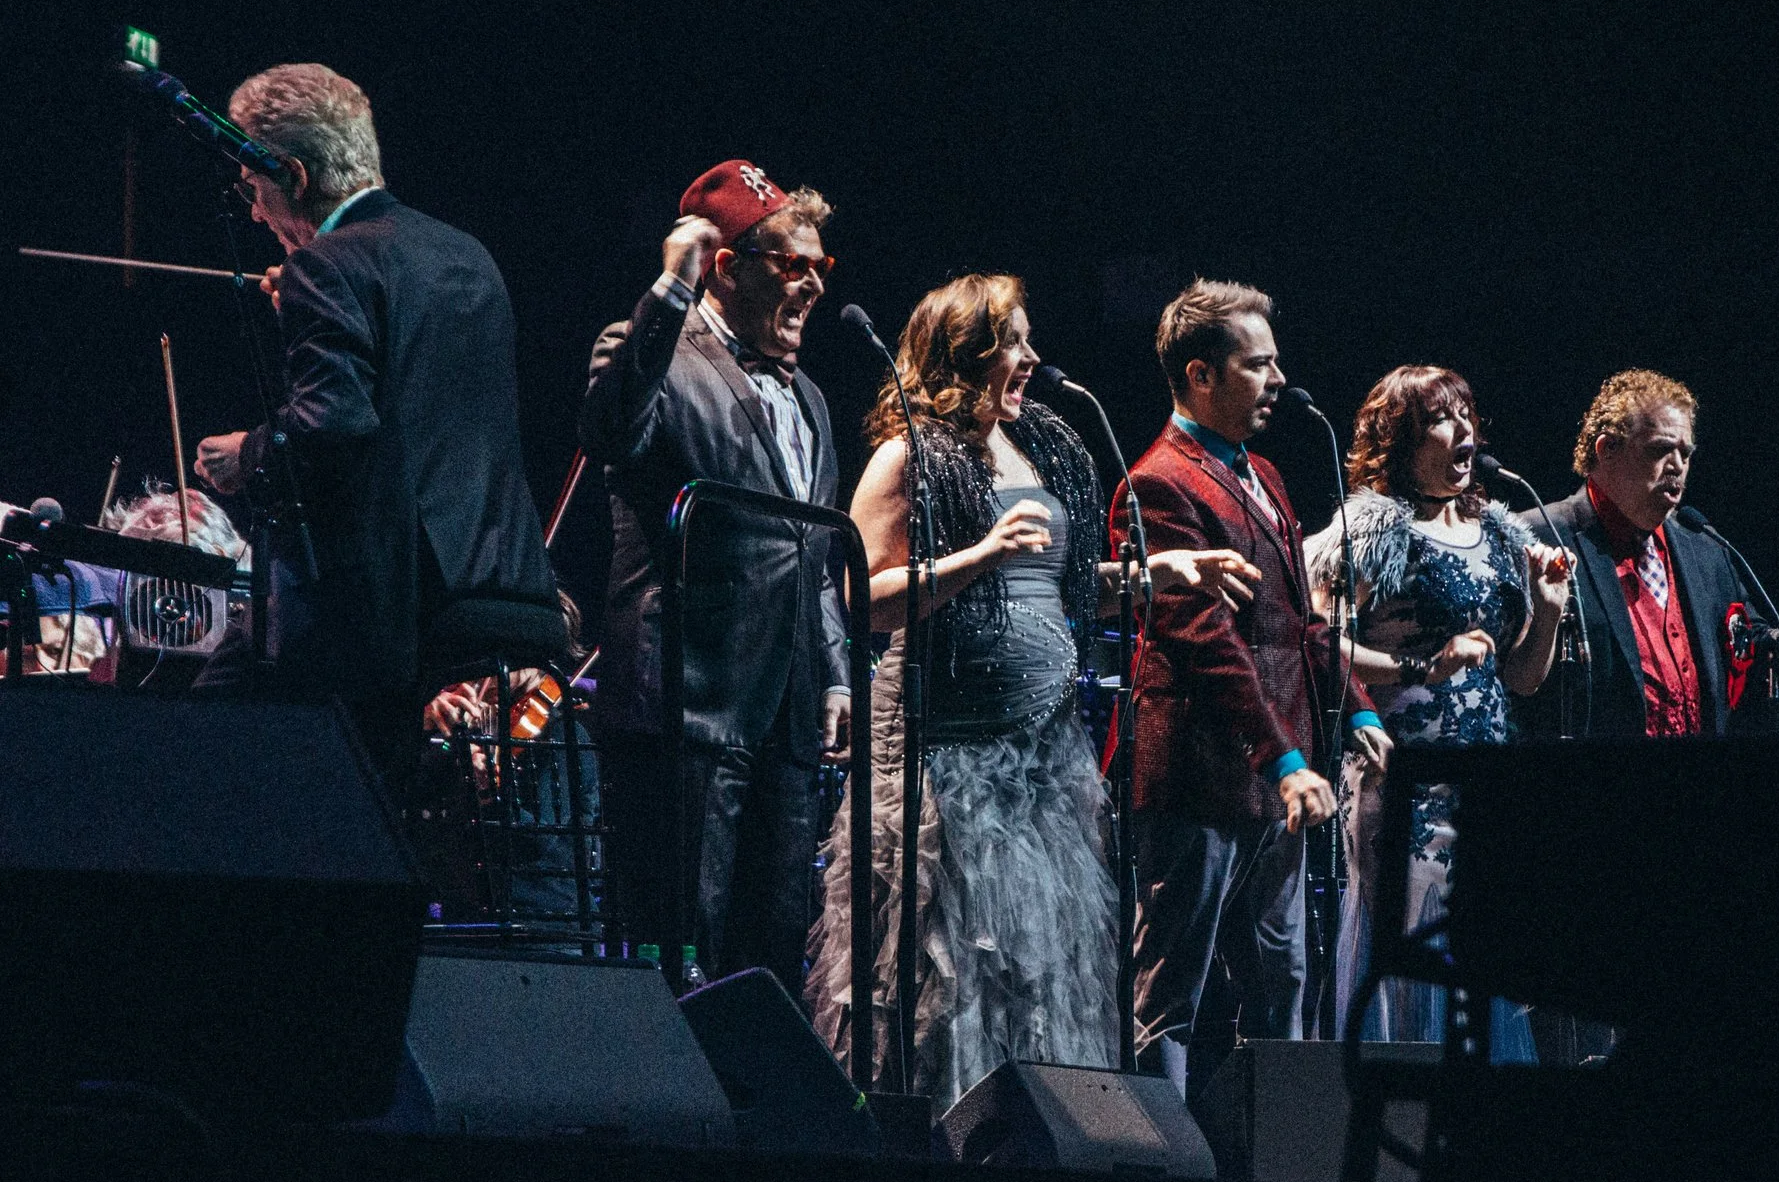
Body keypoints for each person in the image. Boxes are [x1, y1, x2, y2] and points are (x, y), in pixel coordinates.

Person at [807, 273, 1257, 1112]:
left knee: (1036, 966)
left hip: (1043, 760)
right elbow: (863, 598)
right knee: (955, 963)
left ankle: (1036, 1132)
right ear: (965, 352)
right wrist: (978, 555)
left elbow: (1062, 589)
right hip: (947, 756)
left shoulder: (1035, 449)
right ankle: (943, 1131)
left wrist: (1161, 571)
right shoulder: (909, 453)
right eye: (1012, 340)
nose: (1030, 356)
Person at [191, 63, 562, 775]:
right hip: (510, 590)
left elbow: (332, 429)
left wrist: (249, 453)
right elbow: (413, 403)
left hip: (399, 606)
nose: (254, 212)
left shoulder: (326, 266)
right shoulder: (467, 253)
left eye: (252, 188)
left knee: (213, 730)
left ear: (295, 177)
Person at [579, 160, 849, 994]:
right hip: (688, 709)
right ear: (726, 266)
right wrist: (669, 289)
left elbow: (813, 554)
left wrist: (836, 672)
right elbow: (611, 431)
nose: (814, 285)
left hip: (784, 717)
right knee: (677, 945)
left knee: (769, 949)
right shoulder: (651, 349)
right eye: (793, 264)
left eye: (821, 266)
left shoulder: (810, 398)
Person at [1117, 279, 1390, 1098]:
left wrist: (1358, 708)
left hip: (1276, 785)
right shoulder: (1157, 483)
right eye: (1258, 364)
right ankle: (1163, 1154)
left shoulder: (1264, 472)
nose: (1279, 380)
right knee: (1173, 992)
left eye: (1275, 362)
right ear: (1200, 375)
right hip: (1199, 781)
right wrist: (1285, 760)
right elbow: (1206, 642)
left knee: (1283, 985)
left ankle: (1276, 1152)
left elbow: (1301, 623)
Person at [1303, 365, 1574, 1057]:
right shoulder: (1371, 529)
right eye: (1439, 419)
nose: (1462, 431)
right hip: (1404, 777)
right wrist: (1421, 666)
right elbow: (1320, 643)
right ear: (1401, 442)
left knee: (1481, 952)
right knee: (1412, 955)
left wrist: (1546, 612)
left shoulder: (1501, 534)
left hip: (1486, 780)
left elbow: (1522, 678)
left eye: (1465, 414)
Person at [1527, 370, 1779, 743]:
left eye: (1685, 453)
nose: (1677, 465)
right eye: (1660, 449)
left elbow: (1748, 655)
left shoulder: (1704, 549)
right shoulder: (1539, 536)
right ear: (1607, 450)